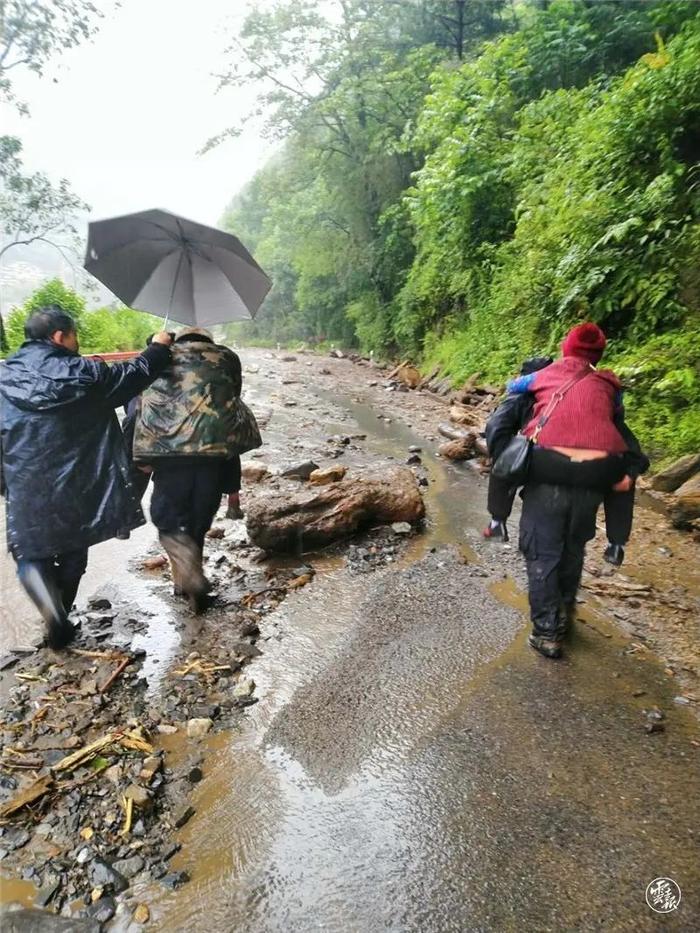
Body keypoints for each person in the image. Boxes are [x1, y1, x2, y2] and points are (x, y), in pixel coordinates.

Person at [0, 306, 172, 649]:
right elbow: (133, 376)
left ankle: (50, 607)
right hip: (74, 480)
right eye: (74, 334)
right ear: (59, 337)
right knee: (73, 551)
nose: (77, 341)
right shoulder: (83, 373)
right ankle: (60, 615)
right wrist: (159, 346)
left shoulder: (4, 375)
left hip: (22, 477)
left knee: (30, 551)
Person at [503, 322, 639, 660]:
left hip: (548, 475)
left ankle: (547, 632)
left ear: (566, 348)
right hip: (594, 480)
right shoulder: (610, 384)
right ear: (599, 354)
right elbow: (616, 420)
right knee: (572, 547)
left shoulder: (546, 375)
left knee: (542, 552)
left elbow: (513, 386)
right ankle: (564, 616)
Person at [484, 356, 648, 566]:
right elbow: (628, 446)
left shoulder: (522, 395)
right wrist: (632, 471)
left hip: (543, 463)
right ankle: (616, 545)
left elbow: (496, 428)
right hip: (592, 469)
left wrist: (503, 460)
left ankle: (497, 522)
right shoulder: (590, 396)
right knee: (624, 480)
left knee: (503, 463)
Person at [133, 327, 245, 612]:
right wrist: (234, 490)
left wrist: (140, 460)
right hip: (214, 457)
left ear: (179, 341)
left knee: (167, 520)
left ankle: (186, 579)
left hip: (170, 457)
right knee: (198, 521)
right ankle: (190, 580)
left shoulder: (161, 356)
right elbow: (233, 401)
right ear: (207, 341)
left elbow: (141, 402)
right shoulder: (227, 358)